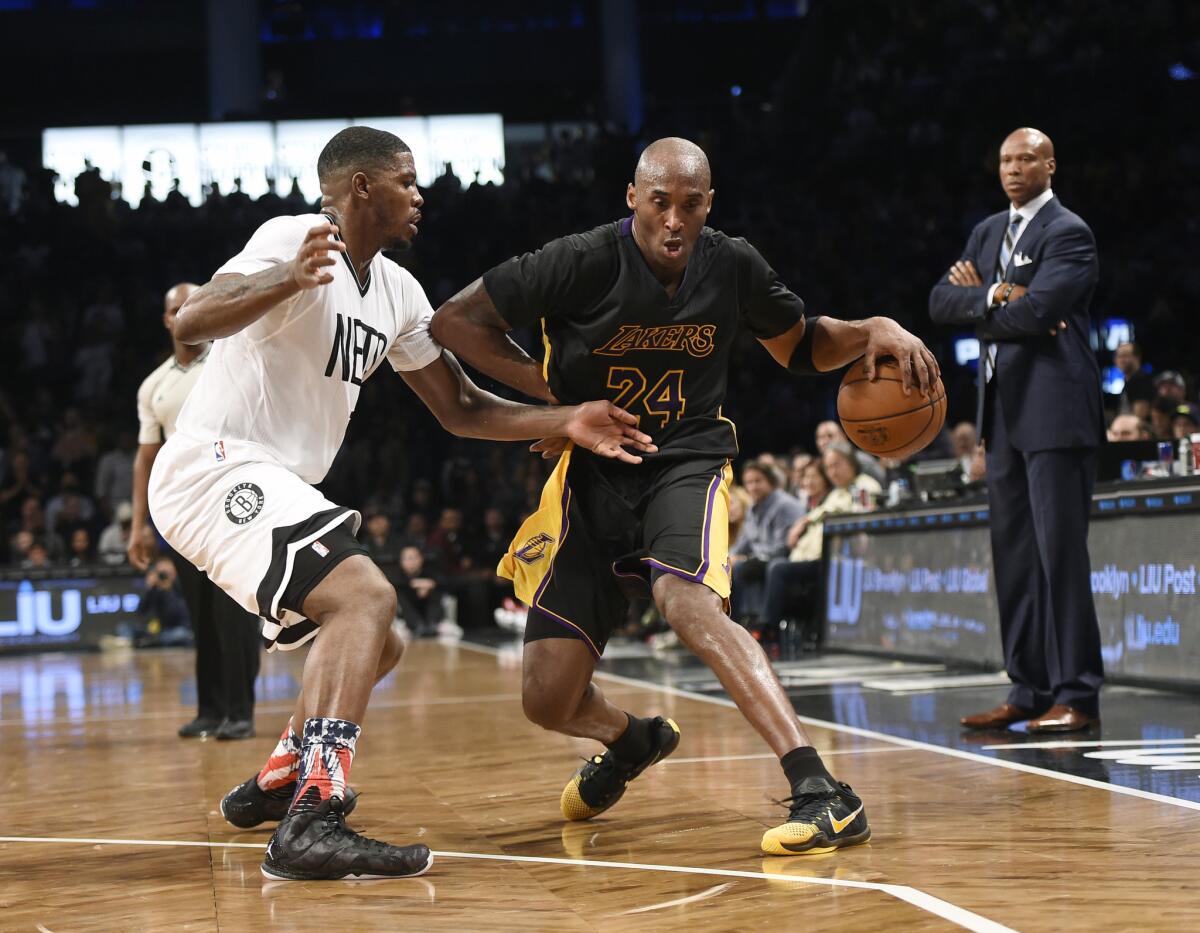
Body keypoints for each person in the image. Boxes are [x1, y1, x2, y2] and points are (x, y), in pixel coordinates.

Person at [147, 126, 654, 882]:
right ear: (361, 187)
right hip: (214, 466)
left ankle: (283, 777)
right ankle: (315, 815)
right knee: (366, 594)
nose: (420, 195)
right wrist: (286, 279)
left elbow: (459, 407)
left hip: (271, 480)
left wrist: (565, 414)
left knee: (379, 641)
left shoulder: (397, 290)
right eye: (407, 181)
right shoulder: (294, 236)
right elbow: (191, 320)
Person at [432, 136, 939, 857]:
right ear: (632, 198)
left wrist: (873, 331)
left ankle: (823, 790)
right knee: (545, 697)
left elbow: (799, 345)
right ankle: (630, 739)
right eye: (660, 202)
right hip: (592, 474)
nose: (674, 219)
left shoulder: (730, 262)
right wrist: (562, 405)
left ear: (709, 206)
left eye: (690, 205)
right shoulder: (578, 260)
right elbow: (453, 322)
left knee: (685, 600)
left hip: (686, 460)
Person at [930, 127, 1104, 733]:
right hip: (1002, 416)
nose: (1013, 167)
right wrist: (1000, 295)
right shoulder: (985, 232)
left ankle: (1077, 693)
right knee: (1015, 560)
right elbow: (938, 303)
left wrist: (984, 305)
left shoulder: (1068, 232)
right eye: (1005, 158)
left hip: (1057, 412)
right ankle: (1027, 689)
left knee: (1060, 558)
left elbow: (1042, 312)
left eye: (1026, 157)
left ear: (1050, 165)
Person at [130, 283, 262, 741]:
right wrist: (138, 526)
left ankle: (240, 712)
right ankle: (210, 710)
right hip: (183, 510)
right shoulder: (155, 385)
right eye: (177, 308)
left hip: (232, 499)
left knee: (235, 610)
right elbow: (146, 457)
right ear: (168, 319)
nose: (185, 313)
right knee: (200, 614)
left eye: (193, 303)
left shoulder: (229, 363)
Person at [728, 460, 805, 624]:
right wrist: (729, 558)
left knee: (748, 567)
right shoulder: (752, 509)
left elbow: (783, 546)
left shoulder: (785, 505)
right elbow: (744, 541)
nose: (753, 487)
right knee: (731, 567)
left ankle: (765, 624)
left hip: (784, 559)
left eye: (758, 481)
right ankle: (737, 622)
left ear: (770, 481)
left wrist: (750, 559)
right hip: (758, 560)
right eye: (749, 482)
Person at [393, 545, 444, 637]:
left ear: (421, 559)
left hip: (428, 612)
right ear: (401, 562)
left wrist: (428, 587)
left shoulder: (430, 572)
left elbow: (444, 582)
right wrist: (419, 584)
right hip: (408, 617)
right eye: (406, 559)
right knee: (400, 596)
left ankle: (432, 624)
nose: (410, 562)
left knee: (435, 592)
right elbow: (398, 584)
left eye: (413, 558)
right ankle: (417, 625)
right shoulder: (398, 576)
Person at [1113, 343, 1153, 419]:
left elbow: (1139, 417)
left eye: (1125, 355)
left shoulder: (1140, 380)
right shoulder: (1128, 381)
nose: (1121, 360)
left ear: (1137, 358)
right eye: (1119, 356)